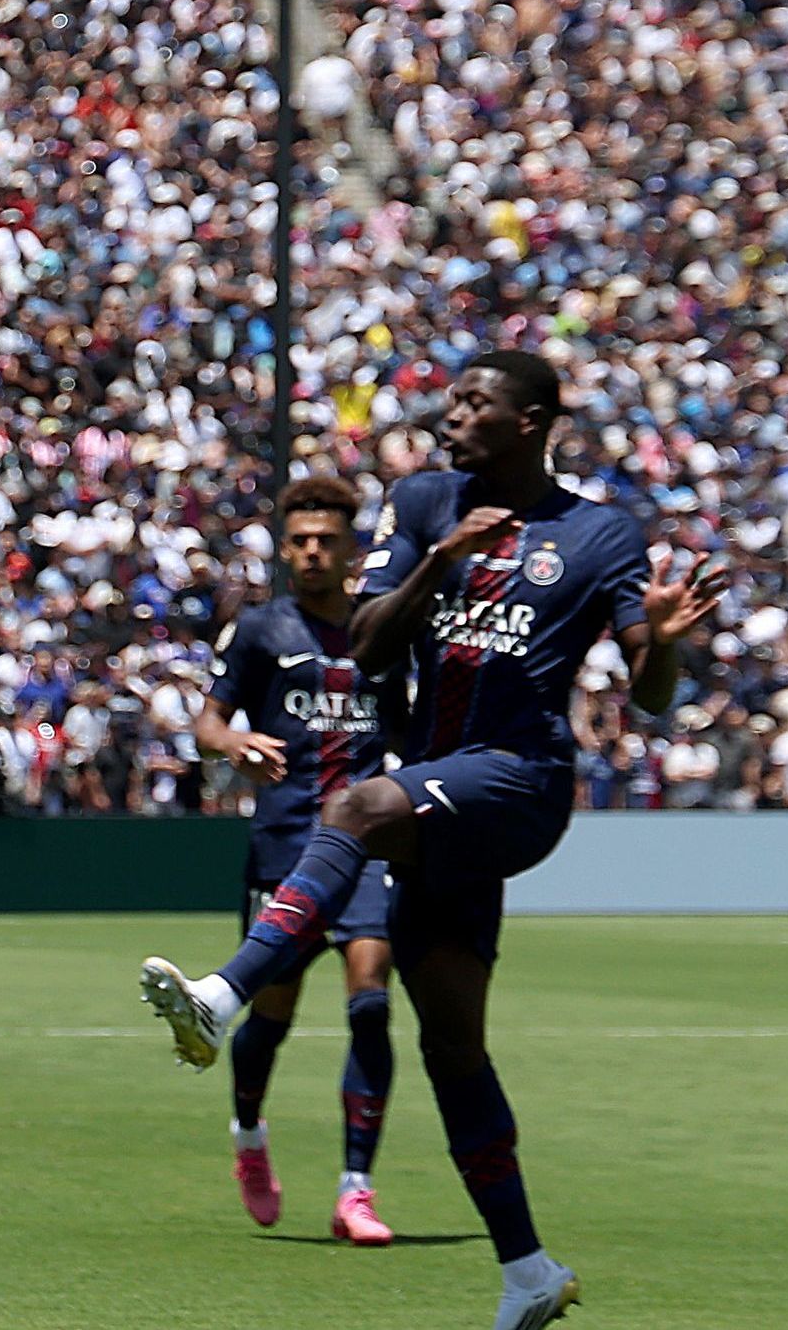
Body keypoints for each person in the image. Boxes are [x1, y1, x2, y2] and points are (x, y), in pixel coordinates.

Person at [139, 348, 715, 1330]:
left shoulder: (600, 534)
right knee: (451, 1045)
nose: (449, 413)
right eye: (450, 397)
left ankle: (222, 994)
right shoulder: (420, 502)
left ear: (529, 420)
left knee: (356, 809)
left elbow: (650, 694)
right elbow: (365, 641)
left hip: (518, 778)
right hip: (438, 788)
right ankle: (528, 1268)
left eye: (473, 402)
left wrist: (664, 640)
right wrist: (443, 558)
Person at [190, 470, 404, 1246]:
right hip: (285, 842)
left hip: (371, 846)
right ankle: (248, 1130)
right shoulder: (260, 630)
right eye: (299, 541)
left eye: (325, 540)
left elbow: (412, 732)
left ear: (353, 547)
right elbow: (206, 722)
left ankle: (356, 1190)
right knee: (270, 1017)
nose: (311, 551)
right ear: (285, 549)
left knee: (370, 1001)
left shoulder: (386, 630)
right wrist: (234, 741)